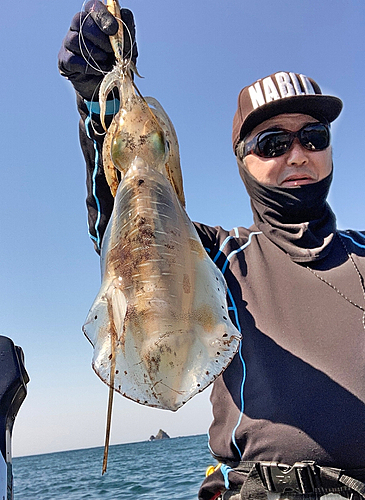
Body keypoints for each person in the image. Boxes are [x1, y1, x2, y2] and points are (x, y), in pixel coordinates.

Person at [59, 3, 365, 500]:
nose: (297, 154)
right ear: (242, 160)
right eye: (272, 142)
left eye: (314, 136)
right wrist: (99, 97)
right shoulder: (221, 257)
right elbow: (127, 217)